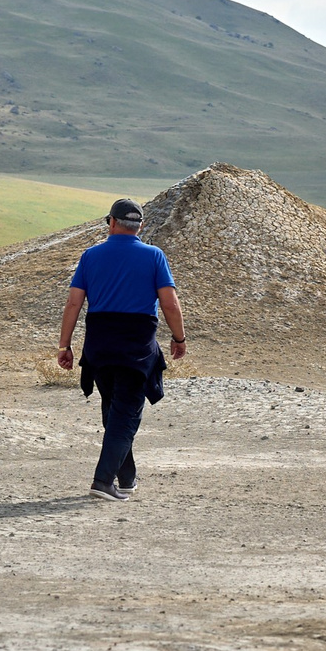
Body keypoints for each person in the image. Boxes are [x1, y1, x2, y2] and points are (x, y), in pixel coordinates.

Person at [57, 198, 186, 502]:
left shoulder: (90, 256)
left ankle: (126, 478)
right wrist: (179, 339)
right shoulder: (154, 256)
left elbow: (74, 303)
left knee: (113, 410)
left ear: (112, 223)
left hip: (99, 345)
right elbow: (169, 302)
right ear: (140, 225)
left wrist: (65, 346)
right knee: (125, 415)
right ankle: (103, 481)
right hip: (136, 346)